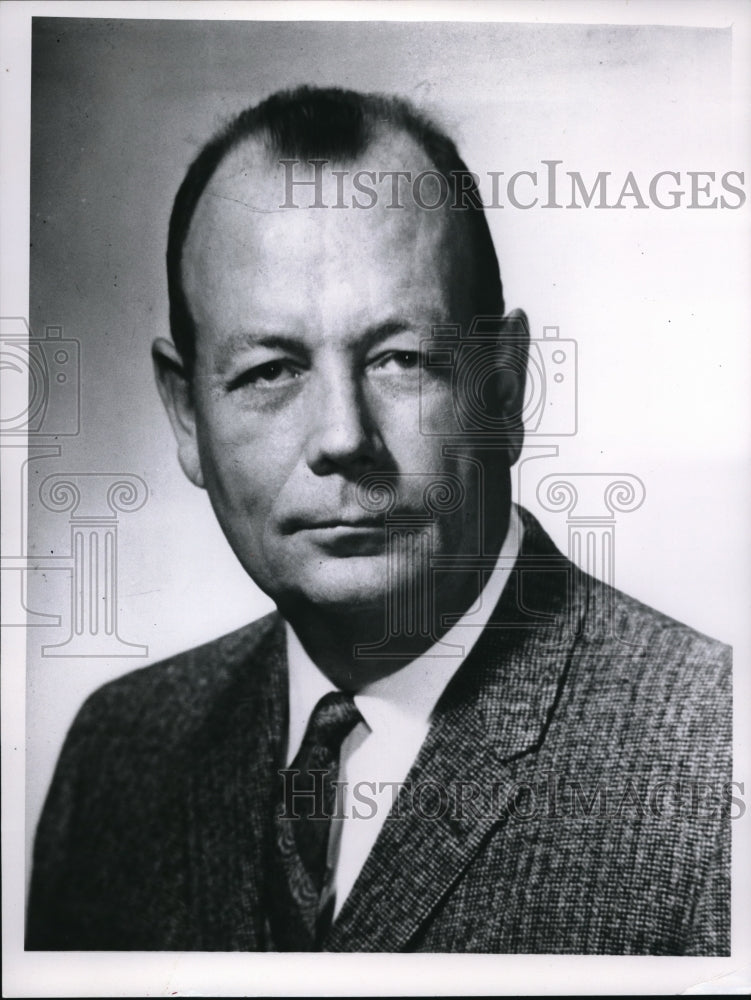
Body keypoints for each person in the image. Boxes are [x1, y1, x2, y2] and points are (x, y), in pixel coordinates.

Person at [26, 86, 731, 954]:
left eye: (400, 360)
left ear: (502, 391)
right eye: (270, 371)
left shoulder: (714, 758)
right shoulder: (119, 749)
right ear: (185, 418)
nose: (340, 437)